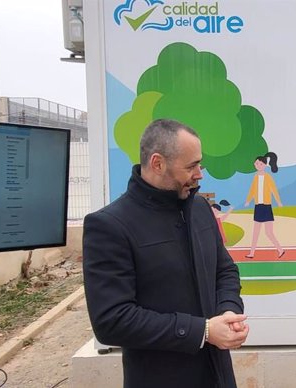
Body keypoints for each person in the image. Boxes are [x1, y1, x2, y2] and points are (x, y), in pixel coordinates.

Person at [83, 119, 249, 388]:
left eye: (199, 164)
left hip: (218, 376)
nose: (199, 174)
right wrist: (203, 331)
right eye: (191, 166)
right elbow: (111, 320)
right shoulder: (109, 225)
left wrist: (228, 312)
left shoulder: (199, 208)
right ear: (157, 163)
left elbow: (224, 270)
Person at [244, 152, 285, 258]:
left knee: (269, 232)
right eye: (256, 164)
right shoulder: (256, 177)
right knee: (256, 232)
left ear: (264, 165)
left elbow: (274, 190)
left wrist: (278, 201)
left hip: (267, 206)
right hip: (258, 206)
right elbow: (252, 190)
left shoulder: (268, 177)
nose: (257, 165)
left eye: (259, 164)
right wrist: (248, 200)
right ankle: (252, 253)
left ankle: (280, 250)